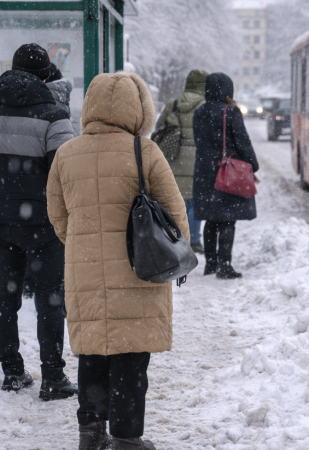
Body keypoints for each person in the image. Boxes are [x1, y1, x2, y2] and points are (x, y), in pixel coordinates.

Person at [47, 72, 188, 450]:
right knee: (130, 356)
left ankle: (90, 433)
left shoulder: (66, 153)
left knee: (92, 352)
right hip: (138, 270)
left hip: (85, 270)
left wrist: (85, 246)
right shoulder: (145, 151)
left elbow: (58, 217)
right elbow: (175, 215)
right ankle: (126, 438)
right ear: (139, 108)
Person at [0, 43, 77, 399]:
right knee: (50, 299)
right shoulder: (53, 116)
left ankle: (12, 372)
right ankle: (53, 377)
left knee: (6, 296)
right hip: (44, 222)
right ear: (46, 75)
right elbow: (66, 171)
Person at [192, 73, 259, 280]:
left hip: (204, 171)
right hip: (226, 171)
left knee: (211, 220)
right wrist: (252, 165)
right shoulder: (231, 112)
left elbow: (199, 141)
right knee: (228, 220)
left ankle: (210, 264)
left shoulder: (199, 112)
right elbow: (243, 142)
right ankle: (225, 265)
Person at [23, 63, 77, 300]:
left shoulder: (39, 102)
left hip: (36, 185)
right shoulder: (62, 102)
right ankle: (54, 288)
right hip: (55, 186)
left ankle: (30, 284)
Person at [153, 69, 208, 254]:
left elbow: (159, 128)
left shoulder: (174, 103)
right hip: (198, 159)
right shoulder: (205, 105)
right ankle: (193, 240)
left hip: (174, 157)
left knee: (179, 200)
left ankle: (178, 237)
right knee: (195, 201)